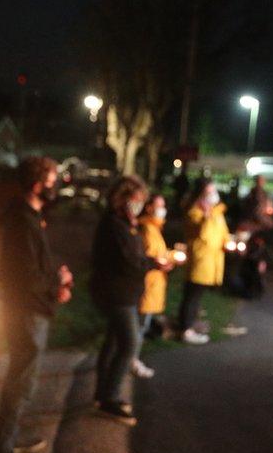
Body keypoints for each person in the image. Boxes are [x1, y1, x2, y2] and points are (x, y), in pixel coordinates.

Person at [0, 156, 73, 453]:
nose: (57, 188)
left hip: (30, 307)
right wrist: (56, 285)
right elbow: (25, 275)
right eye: (53, 181)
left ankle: (9, 442)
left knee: (23, 380)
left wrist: (57, 279)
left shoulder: (30, 216)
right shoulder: (23, 220)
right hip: (26, 311)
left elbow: (35, 267)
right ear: (39, 184)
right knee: (21, 383)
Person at [90, 176, 168, 423]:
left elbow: (134, 255)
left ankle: (102, 395)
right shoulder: (115, 225)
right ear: (122, 199)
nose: (140, 204)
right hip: (117, 293)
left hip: (124, 291)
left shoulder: (125, 223)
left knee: (114, 342)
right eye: (136, 200)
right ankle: (110, 397)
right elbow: (129, 260)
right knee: (130, 343)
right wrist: (154, 263)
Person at [178, 179, 231, 345]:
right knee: (192, 295)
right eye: (209, 192)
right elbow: (204, 235)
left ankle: (190, 324)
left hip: (212, 261)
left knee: (197, 296)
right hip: (200, 262)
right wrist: (207, 216)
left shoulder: (217, 213)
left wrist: (229, 242)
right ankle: (185, 329)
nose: (213, 195)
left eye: (214, 191)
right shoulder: (195, 213)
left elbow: (223, 233)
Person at [134, 194, 172, 379]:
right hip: (147, 284)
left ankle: (132, 358)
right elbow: (148, 257)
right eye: (159, 205)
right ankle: (132, 360)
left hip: (154, 282)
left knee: (142, 324)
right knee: (139, 325)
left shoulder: (155, 228)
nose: (162, 209)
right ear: (149, 207)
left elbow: (159, 254)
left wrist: (169, 258)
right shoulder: (147, 228)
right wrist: (160, 263)